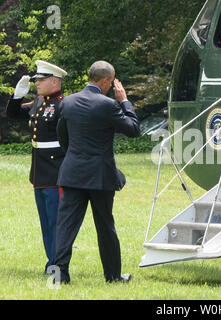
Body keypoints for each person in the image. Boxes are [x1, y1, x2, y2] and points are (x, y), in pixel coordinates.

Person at [54, 61, 140, 284]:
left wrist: (73, 157)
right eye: (111, 82)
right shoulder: (108, 104)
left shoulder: (68, 102)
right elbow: (133, 130)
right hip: (99, 176)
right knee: (105, 227)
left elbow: (62, 135)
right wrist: (125, 101)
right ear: (104, 81)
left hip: (72, 173)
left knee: (65, 226)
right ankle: (112, 276)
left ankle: (58, 275)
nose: (112, 86)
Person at [6, 60, 67, 274]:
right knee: (45, 222)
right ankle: (51, 260)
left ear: (54, 80)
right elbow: (13, 115)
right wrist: (17, 96)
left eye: (41, 80)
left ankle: (56, 263)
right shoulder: (38, 103)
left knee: (55, 222)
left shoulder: (63, 105)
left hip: (56, 170)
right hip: (39, 171)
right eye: (36, 80)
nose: (37, 84)